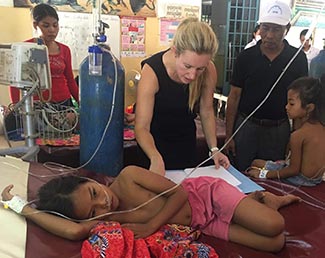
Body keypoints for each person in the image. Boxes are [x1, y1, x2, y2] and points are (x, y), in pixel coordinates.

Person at [1, 165, 300, 252]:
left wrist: (152, 226)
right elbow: (74, 230)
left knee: (274, 225)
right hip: (201, 225)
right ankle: (258, 203)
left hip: (207, 196)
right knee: (275, 243)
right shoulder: (109, 218)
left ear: (86, 180)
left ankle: (264, 197)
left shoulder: (129, 177)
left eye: (94, 192)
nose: (103, 203)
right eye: (93, 211)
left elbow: (181, 192)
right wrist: (20, 206)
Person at [135, 17, 229, 175]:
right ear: (175, 52)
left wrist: (214, 148)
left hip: (186, 144)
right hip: (153, 146)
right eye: (187, 66)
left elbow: (206, 111)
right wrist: (155, 157)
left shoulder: (209, 70)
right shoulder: (152, 71)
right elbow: (142, 127)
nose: (192, 75)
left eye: (200, 69)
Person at [225, 0, 308, 171]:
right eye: (265, 27)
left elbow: (302, 101)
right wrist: (229, 135)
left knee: (272, 178)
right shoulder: (245, 57)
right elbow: (234, 96)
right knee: (240, 172)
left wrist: (295, 139)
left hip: (279, 130)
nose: (269, 35)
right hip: (246, 126)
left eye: (276, 29)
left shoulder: (297, 58)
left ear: (287, 29)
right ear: (259, 27)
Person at [247, 76, 325, 186]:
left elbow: (293, 170)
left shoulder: (299, 135)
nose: (286, 107)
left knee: (254, 165)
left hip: (301, 180)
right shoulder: (321, 127)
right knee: (258, 162)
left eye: (291, 103)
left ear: (309, 108)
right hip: (315, 179)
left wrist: (264, 174)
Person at [9, 3, 79, 108]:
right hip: (38, 105)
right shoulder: (26, 48)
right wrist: (15, 107)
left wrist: (80, 102)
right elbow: (15, 82)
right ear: (35, 25)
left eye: (55, 25)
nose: (52, 30)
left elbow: (70, 79)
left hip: (64, 103)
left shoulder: (64, 50)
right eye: (46, 26)